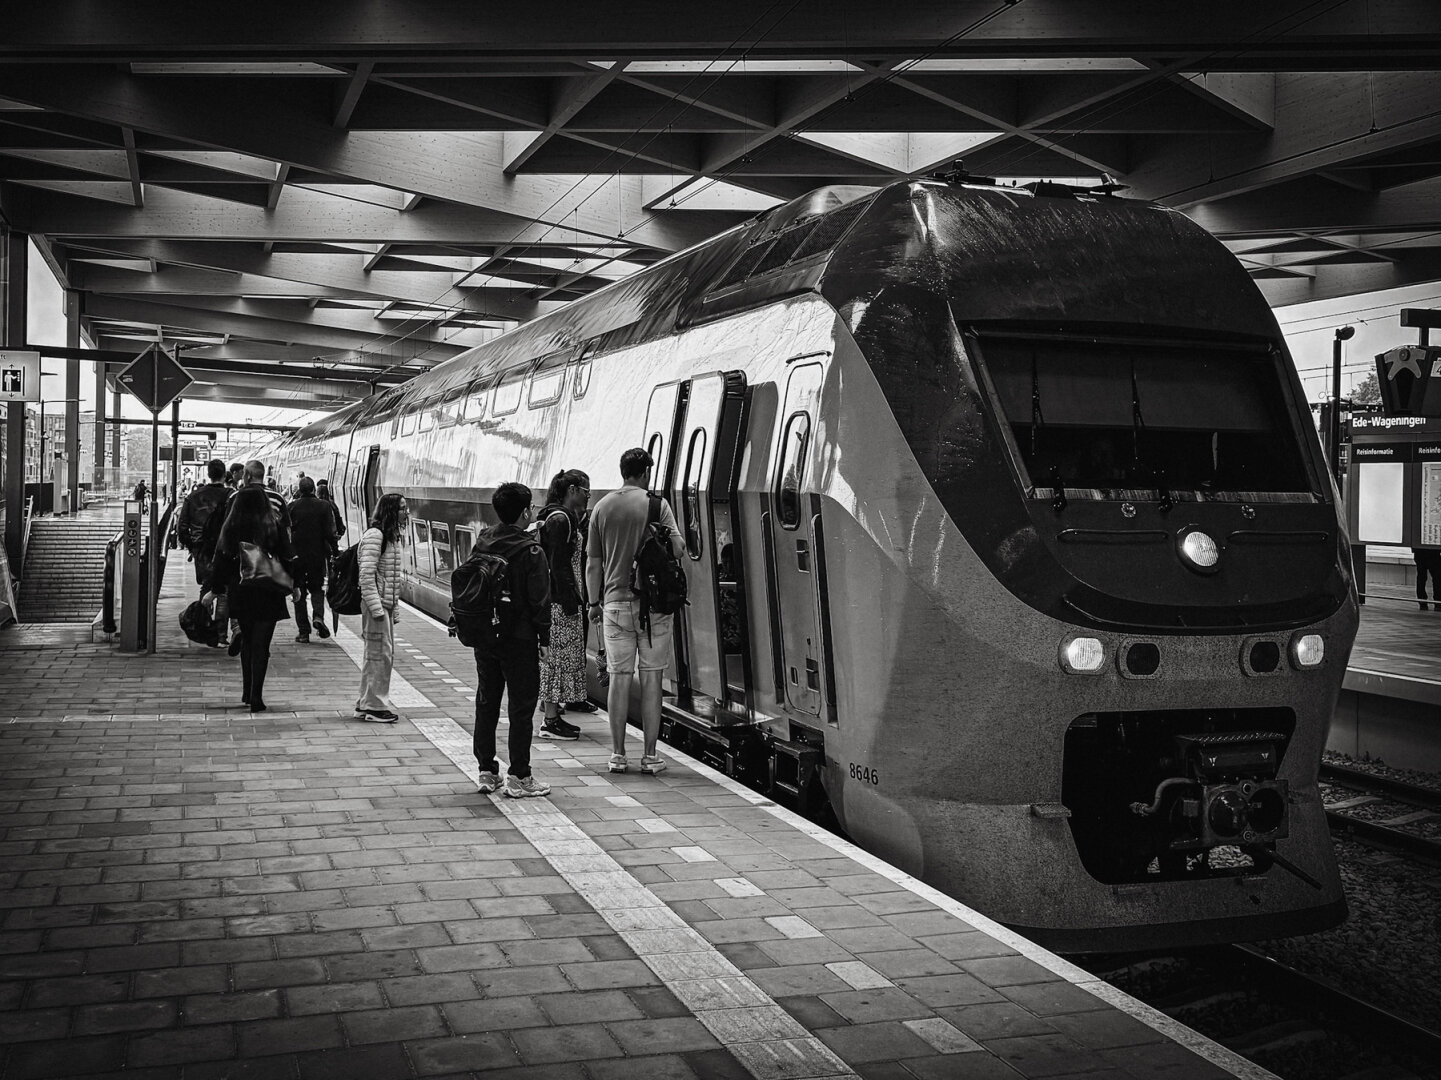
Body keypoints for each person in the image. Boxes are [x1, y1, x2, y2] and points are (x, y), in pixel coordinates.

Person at [586, 448, 683, 775]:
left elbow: (593, 564)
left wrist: (593, 603)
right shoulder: (657, 505)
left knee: (619, 679)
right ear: (644, 472)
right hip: (653, 606)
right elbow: (680, 549)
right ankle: (650, 756)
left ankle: (617, 755)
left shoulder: (602, 507)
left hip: (614, 604)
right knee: (652, 679)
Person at [470, 482, 552, 798]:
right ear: (525, 512)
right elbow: (539, 601)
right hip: (519, 639)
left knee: (487, 702)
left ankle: (487, 772)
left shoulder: (484, 541)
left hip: (486, 636)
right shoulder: (531, 551)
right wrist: (544, 639)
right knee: (521, 708)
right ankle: (519, 775)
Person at [201, 487, 293, 713]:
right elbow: (288, 556)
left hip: (241, 592)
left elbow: (221, 560)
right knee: (262, 645)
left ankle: (246, 691)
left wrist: (214, 590)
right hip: (268, 592)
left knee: (249, 641)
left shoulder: (231, 528)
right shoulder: (274, 526)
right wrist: (295, 586)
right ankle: (256, 696)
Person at [536, 470, 591, 741]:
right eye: (585, 491)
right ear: (571, 490)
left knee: (558, 659)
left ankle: (553, 713)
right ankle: (550, 721)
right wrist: (572, 600)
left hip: (557, 598)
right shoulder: (561, 519)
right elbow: (558, 564)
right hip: (559, 601)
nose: (588, 496)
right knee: (556, 660)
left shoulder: (557, 516)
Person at [355, 492, 407, 723]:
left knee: (377, 656)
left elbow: (391, 576)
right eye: (402, 508)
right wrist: (377, 609)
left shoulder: (391, 536)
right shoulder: (376, 536)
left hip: (383, 605)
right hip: (375, 606)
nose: (406, 513)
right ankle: (375, 707)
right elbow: (366, 575)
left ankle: (366, 704)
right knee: (380, 656)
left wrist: (392, 609)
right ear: (390, 511)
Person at [287, 477, 338, 643]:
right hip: (317, 555)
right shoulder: (324, 506)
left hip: (297, 557)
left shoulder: (292, 506)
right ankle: (318, 617)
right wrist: (335, 553)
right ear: (313, 490)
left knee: (299, 592)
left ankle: (303, 632)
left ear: (300, 490)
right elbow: (331, 533)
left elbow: (286, 531)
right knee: (316, 588)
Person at [178, 458, 231, 588]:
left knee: (206, 586)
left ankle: (203, 607)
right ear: (224, 475)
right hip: (226, 548)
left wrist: (192, 546)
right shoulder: (232, 495)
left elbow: (182, 527)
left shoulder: (193, 496)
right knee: (224, 588)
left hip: (201, 547)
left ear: (208, 475)